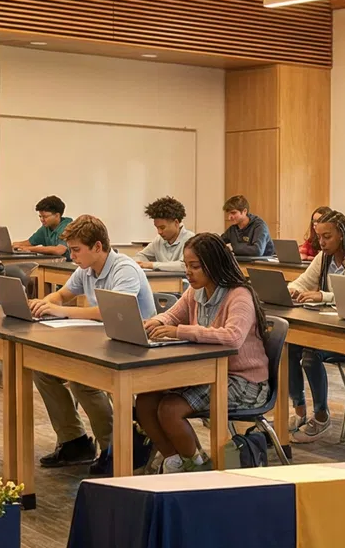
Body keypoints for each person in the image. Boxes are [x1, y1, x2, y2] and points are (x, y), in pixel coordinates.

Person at [135, 233, 272, 473]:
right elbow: (172, 315)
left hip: (243, 381)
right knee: (145, 402)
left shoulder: (239, 295)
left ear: (214, 264)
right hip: (206, 372)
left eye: (195, 266)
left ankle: (197, 467)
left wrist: (180, 331)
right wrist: (157, 322)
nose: (188, 272)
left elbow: (233, 337)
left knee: (170, 409)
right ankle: (177, 460)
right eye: (186, 265)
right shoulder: (195, 291)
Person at [29, 216, 156, 470]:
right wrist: (45, 303)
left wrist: (60, 311)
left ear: (97, 247)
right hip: (104, 344)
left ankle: (114, 448)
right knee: (42, 370)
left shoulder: (125, 269)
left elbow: (106, 313)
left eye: (77, 250)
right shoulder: (86, 269)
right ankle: (74, 442)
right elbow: (62, 295)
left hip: (136, 348)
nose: (72, 255)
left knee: (82, 379)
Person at [287, 208, 345, 443]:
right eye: (319, 237)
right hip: (329, 329)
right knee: (289, 347)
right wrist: (291, 290)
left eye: (327, 237)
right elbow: (302, 281)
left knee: (310, 354)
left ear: (342, 235)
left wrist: (322, 296)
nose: (321, 242)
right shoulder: (323, 257)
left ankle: (322, 417)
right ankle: (300, 410)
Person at [134, 196, 189, 271]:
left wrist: (152, 265)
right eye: (157, 227)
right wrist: (142, 264)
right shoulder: (159, 240)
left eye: (162, 228)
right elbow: (141, 255)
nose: (159, 232)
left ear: (176, 223)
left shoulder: (191, 240)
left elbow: (184, 265)